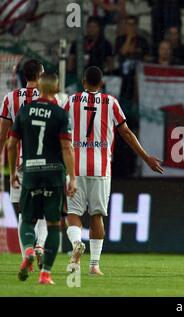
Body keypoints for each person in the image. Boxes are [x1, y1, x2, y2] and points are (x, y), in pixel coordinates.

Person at [63, 66, 164, 276]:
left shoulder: (71, 101)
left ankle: (75, 243)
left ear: (83, 82)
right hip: (101, 167)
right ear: (102, 84)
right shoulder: (110, 102)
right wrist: (146, 157)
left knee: (73, 213)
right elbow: (126, 132)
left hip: (75, 166)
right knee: (97, 215)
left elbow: (59, 130)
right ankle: (94, 265)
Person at [9, 72, 77, 285]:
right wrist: (72, 178)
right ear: (56, 89)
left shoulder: (24, 111)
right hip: (54, 173)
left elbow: (11, 145)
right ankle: (45, 273)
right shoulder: (60, 114)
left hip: (31, 171)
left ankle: (29, 250)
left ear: (38, 87)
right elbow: (67, 147)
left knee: (27, 220)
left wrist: (12, 173)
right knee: (54, 224)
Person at [0, 59, 47, 269]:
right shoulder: (51, 97)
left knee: (24, 212)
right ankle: (40, 246)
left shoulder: (10, 98)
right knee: (46, 209)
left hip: (19, 161)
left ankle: (26, 256)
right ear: (41, 74)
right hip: (47, 162)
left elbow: (3, 135)